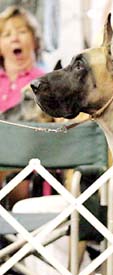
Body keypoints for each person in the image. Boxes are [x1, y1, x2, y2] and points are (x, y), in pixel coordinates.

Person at [0, 6, 44, 205]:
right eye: (7, 34)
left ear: (34, 40)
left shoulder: (45, 83)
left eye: (21, 31)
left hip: (29, 166)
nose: (15, 38)